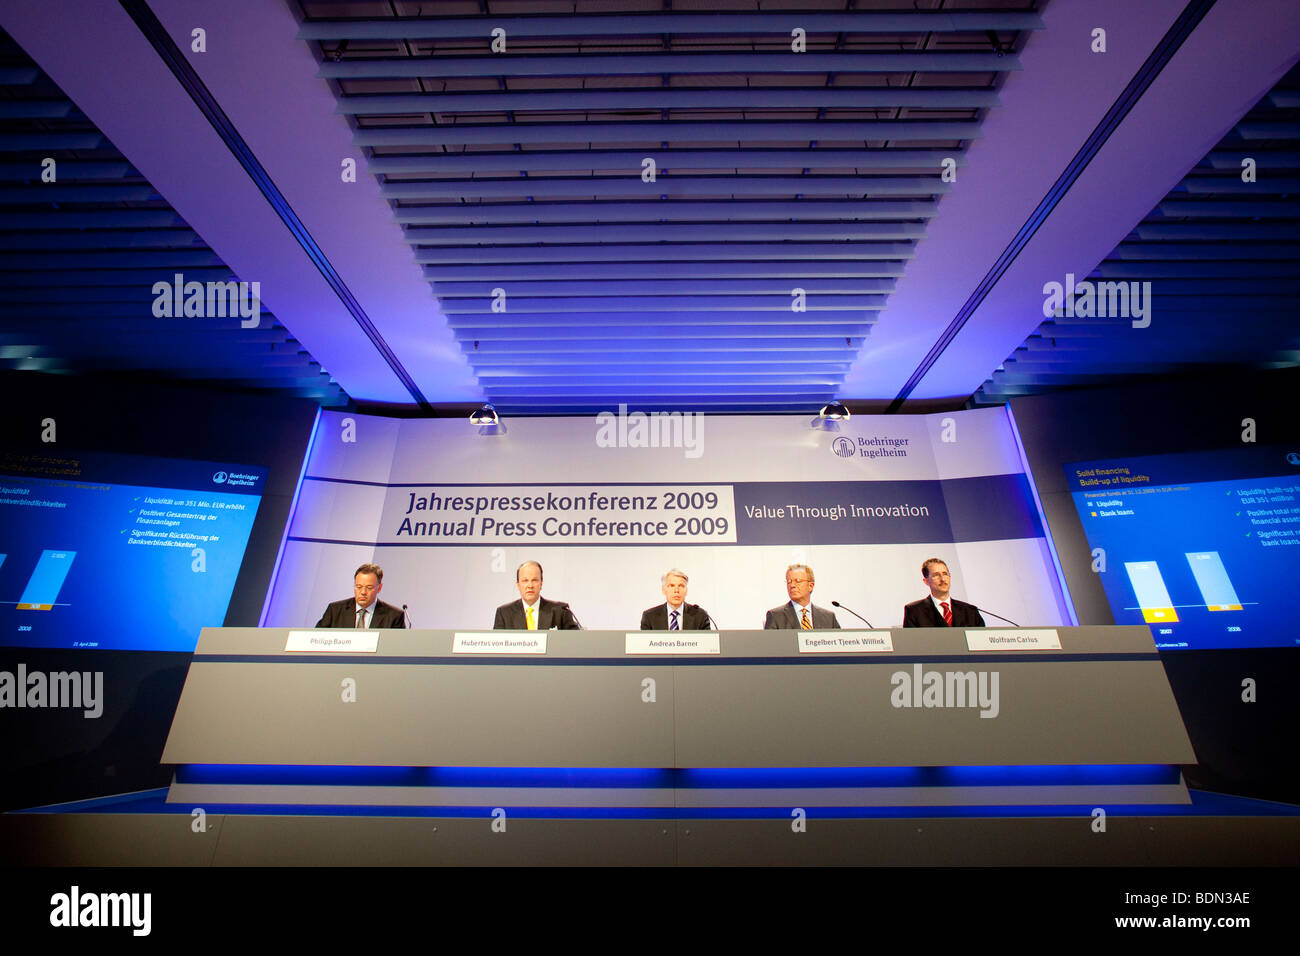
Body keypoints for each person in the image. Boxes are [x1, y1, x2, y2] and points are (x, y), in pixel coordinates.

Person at [493, 560, 580, 630]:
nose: (530, 586)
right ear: (518, 585)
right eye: (525, 581)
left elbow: (575, 641)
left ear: (541, 584)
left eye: (534, 580)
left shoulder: (560, 611)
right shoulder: (504, 613)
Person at [316, 563, 406, 628]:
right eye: (358, 587)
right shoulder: (335, 610)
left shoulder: (394, 616)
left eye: (369, 587)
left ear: (379, 588)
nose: (363, 592)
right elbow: (316, 640)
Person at [902, 558, 985, 627]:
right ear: (926, 581)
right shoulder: (914, 611)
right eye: (936, 575)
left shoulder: (970, 611)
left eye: (945, 574)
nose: (942, 579)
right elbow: (912, 644)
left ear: (949, 577)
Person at [764, 563, 840, 630]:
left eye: (798, 581)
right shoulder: (775, 616)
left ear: (811, 586)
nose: (792, 585)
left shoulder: (829, 618)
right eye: (789, 582)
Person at [640, 569, 712, 630]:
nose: (676, 590)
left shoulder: (700, 616)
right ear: (664, 590)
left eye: (681, 586)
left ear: (686, 590)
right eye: (671, 586)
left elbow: (707, 644)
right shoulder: (649, 617)